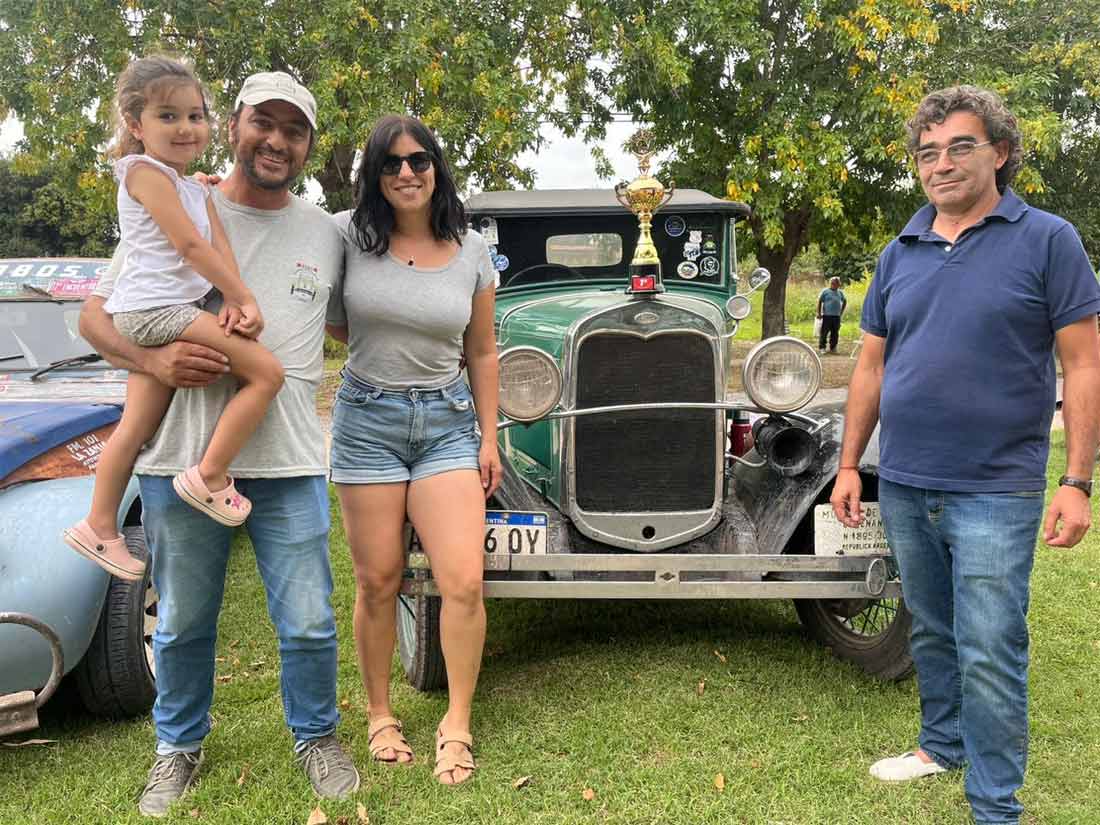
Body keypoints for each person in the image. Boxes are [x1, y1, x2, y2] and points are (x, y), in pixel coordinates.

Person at [80, 71, 359, 817]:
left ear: (307, 144)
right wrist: (154, 361)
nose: (276, 140)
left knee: (307, 617)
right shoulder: (176, 199)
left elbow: (353, 319)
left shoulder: (324, 231)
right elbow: (96, 319)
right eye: (262, 123)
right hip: (181, 460)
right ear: (233, 125)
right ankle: (177, 747)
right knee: (181, 620)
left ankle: (318, 735)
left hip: (292, 458)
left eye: (294, 129)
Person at [831, 85, 1100, 825]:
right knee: (929, 624)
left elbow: (1083, 365)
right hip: (908, 479)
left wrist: (1077, 479)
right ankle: (940, 743)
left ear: (1000, 153)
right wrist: (851, 463)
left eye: (960, 146)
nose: (940, 163)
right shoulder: (900, 249)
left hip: (996, 486)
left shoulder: (1049, 240)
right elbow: (871, 367)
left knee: (989, 642)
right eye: (927, 152)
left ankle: (993, 803)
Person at [326, 114, 501, 786]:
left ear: (437, 168)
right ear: (374, 174)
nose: (406, 173)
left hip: (448, 425)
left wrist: (490, 435)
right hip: (367, 420)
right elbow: (338, 322)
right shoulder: (348, 236)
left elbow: (481, 350)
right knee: (378, 579)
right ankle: (379, 714)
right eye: (391, 163)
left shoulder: (470, 248)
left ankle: (455, 722)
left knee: (462, 579)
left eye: (419, 160)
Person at [63, 56, 284, 583]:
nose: (186, 128)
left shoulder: (189, 185)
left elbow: (217, 241)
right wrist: (245, 298)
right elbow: (188, 245)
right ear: (136, 125)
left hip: (160, 310)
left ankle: (99, 525)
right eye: (168, 116)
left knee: (133, 428)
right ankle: (209, 474)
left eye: (195, 115)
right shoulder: (143, 173)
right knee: (266, 374)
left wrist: (231, 299)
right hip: (156, 311)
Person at [816, 276, 846, 354]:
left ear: (838, 284)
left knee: (835, 333)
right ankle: (822, 347)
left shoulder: (840, 292)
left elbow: (844, 301)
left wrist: (841, 312)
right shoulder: (825, 291)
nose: (834, 285)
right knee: (824, 332)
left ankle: (833, 348)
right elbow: (819, 302)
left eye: (836, 283)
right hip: (827, 316)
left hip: (836, 316)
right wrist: (818, 313)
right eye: (832, 283)